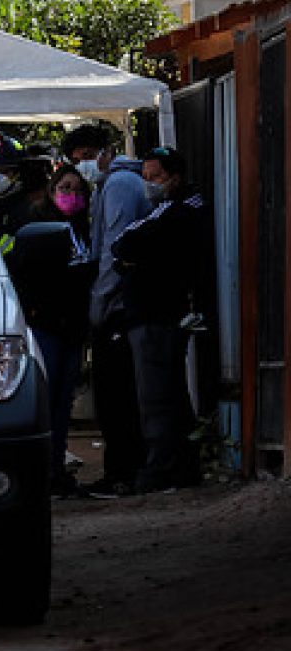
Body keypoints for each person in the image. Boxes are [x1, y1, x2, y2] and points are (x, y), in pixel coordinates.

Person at [111, 146, 207, 493]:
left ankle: (162, 470)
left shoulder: (180, 211)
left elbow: (124, 243)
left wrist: (132, 257)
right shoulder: (168, 212)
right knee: (168, 395)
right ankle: (178, 465)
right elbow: (125, 247)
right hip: (154, 314)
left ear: (175, 178)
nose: (149, 184)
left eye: (156, 178)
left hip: (157, 315)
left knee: (157, 398)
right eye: (146, 177)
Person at [10, 164, 96, 498]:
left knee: (63, 403)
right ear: (51, 191)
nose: (70, 195)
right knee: (46, 401)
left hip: (73, 327)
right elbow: (24, 274)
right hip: (46, 324)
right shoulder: (37, 228)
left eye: (76, 189)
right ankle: (43, 473)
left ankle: (56, 470)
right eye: (64, 188)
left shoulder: (84, 230)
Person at [85, 144, 152, 498]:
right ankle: (125, 470)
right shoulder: (118, 183)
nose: (84, 163)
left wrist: (100, 303)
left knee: (115, 397)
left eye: (86, 154)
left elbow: (114, 246)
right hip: (124, 304)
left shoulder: (119, 185)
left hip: (117, 308)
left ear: (105, 152)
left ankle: (122, 474)